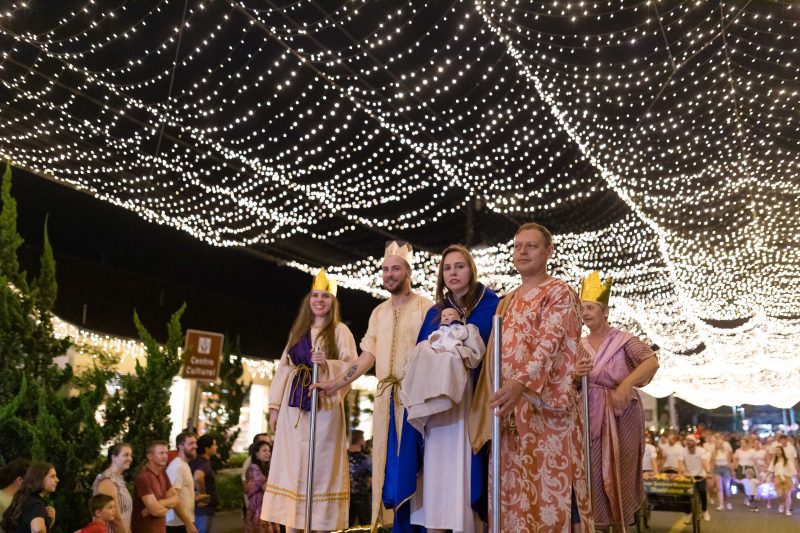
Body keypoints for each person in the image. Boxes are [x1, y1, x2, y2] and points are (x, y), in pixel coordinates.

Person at [311, 242, 433, 530]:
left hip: (415, 401)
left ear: (408, 272)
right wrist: (335, 383)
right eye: (386, 269)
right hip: (385, 401)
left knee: (415, 470)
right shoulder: (378, 313)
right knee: (387, 470)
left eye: (396, 269)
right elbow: (367, 357)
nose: (389, 274)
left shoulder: (426, 308)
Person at [486, 223, 593, 532]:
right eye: (518, 246)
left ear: (549, 252)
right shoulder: (508, 299)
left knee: (552, 496)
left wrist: (521, 384)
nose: (522, 252)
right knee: (514, 496)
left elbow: (550, 342)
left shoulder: (559, 291)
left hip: (547, 411)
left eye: (531, 246)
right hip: (509, 409)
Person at [394, 243, 499, 533]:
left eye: (460, 266)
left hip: (470, 406)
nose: (453, 273)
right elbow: (420, 355)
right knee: (435, 474)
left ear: (471, 270)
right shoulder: (434, 313)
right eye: (447, 268)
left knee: (465, 472)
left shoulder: (491, 306)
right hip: (435, 411)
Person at [262, 269, 357, 532]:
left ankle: (321, 525)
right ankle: (292, 525)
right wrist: (274, 408)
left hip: (323, 407)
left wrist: (327, 364)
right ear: (309, 300)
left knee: (321, 467)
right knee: (293, 466)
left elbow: (351, 366)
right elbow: (284, 367)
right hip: (294, 409)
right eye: (315, 295)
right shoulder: (299, 330)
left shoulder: (340, 331)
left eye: (325, 296)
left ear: (332, 302)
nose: (319, 300)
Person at [578, 270, 659, 531]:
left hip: (622, 414)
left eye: (591, 308)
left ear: (605, 311)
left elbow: (650, 361)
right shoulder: (578, 345)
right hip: (590, 416)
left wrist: (626, 383)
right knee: (592, 473)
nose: (586, 313)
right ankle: (599, 524)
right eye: (582, 309)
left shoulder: (624, 341)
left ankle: (620, 524)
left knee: (620, 470)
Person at [132, 440, 180, 533]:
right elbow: (156, 511)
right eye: (161, 453)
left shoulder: (163, 473)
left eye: (166, 453)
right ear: (149, 456)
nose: (165, 456)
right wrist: (157, 508)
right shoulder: (143, 478)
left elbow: (177, 498)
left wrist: (160, 503)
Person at [1, 462, 58, 533]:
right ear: (40, 478)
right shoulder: (35, 503)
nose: (57, 480)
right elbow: (38, 530)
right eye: (52, 476)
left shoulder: (25, 499)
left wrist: (49, 522)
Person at [92, 443, 134, 533]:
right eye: (126, 455)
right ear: (114, 458)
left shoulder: (119, 480)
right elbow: (115, 519)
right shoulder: (107, 481)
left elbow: (125, 517)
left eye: (131, 455)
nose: (130, 458)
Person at [166, 432, 199, 533]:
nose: (195, 446)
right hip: (177, 524)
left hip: (182, 522)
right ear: (180, 446)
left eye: (195, 443)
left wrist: (195, 498)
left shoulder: (183, 465)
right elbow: (173, 498)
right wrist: (188, 523)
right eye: (191, 443)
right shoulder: (178, 466)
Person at [244, 440, 278, 533]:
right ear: (256, 454)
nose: (268, 453)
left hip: (266, 509)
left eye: (269, 451)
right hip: (258, 510)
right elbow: (266, 487)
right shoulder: (254, 468)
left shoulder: (265, 468)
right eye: (264, 451)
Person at [189, 435, 218, 533]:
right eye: (214, 445)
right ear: (207, 448)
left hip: (193, 507)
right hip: (203, 510)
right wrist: (203, 494)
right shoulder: (204, 463)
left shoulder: (193, 461)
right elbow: (198, 477)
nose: (216, 447)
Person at [681, 435, 711, 523]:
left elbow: (705, 462)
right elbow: (680, 463)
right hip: (688, 476)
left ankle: (705, 511)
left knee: (702, 491)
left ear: (695, 442)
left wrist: (708, 472)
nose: (688, 442)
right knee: (685, 494)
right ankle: (688, 513)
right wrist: (680, 473)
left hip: (700, 475)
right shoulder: (683, 451)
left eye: (690, 440)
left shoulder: (701, 451)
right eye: (687, 440)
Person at [348, 430, 372, 528]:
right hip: (363, 498)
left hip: (347, 499)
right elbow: (372, 475)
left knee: (345, 527)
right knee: (367, 526)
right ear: (360, 441)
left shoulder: (343, 457)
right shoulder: (366, 459)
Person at [732, 436, 758, 510]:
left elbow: (755, 461)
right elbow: (735, 461)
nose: (742, 444)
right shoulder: (738, 451)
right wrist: (733, 470)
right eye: (741, 443)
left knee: (750, 485)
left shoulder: (752, 451)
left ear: (747, 443)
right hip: (741, 468)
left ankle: (750, 499)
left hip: (749, 469)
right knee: (741, 484)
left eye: (743, 443)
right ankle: (746, 495)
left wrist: (758, 470)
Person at [710, 434, 734, 511]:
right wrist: (711, 471)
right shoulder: (714, 451)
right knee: (719, 488)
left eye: (719, 443)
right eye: (717, 443)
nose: (718, 444)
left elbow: (730, 461)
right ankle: (721, 504)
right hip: (717, 469)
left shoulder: (726, 451)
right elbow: (712, 461)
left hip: (726, 468)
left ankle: (729, 502)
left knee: (727, 487)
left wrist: (732, 470)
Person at [770, 445, 794, 516]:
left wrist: (795, 478)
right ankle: (782, 503)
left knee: (787, 494)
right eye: (776, 450)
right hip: (778, 478)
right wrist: (765, 478)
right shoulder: (774, 460)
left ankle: (787, 510)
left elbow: (793, 470)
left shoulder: (788, 460)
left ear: (782, 451)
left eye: (778, 450)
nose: (777, 452)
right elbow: (770, 470)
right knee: (780, 494)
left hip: (787, 478)